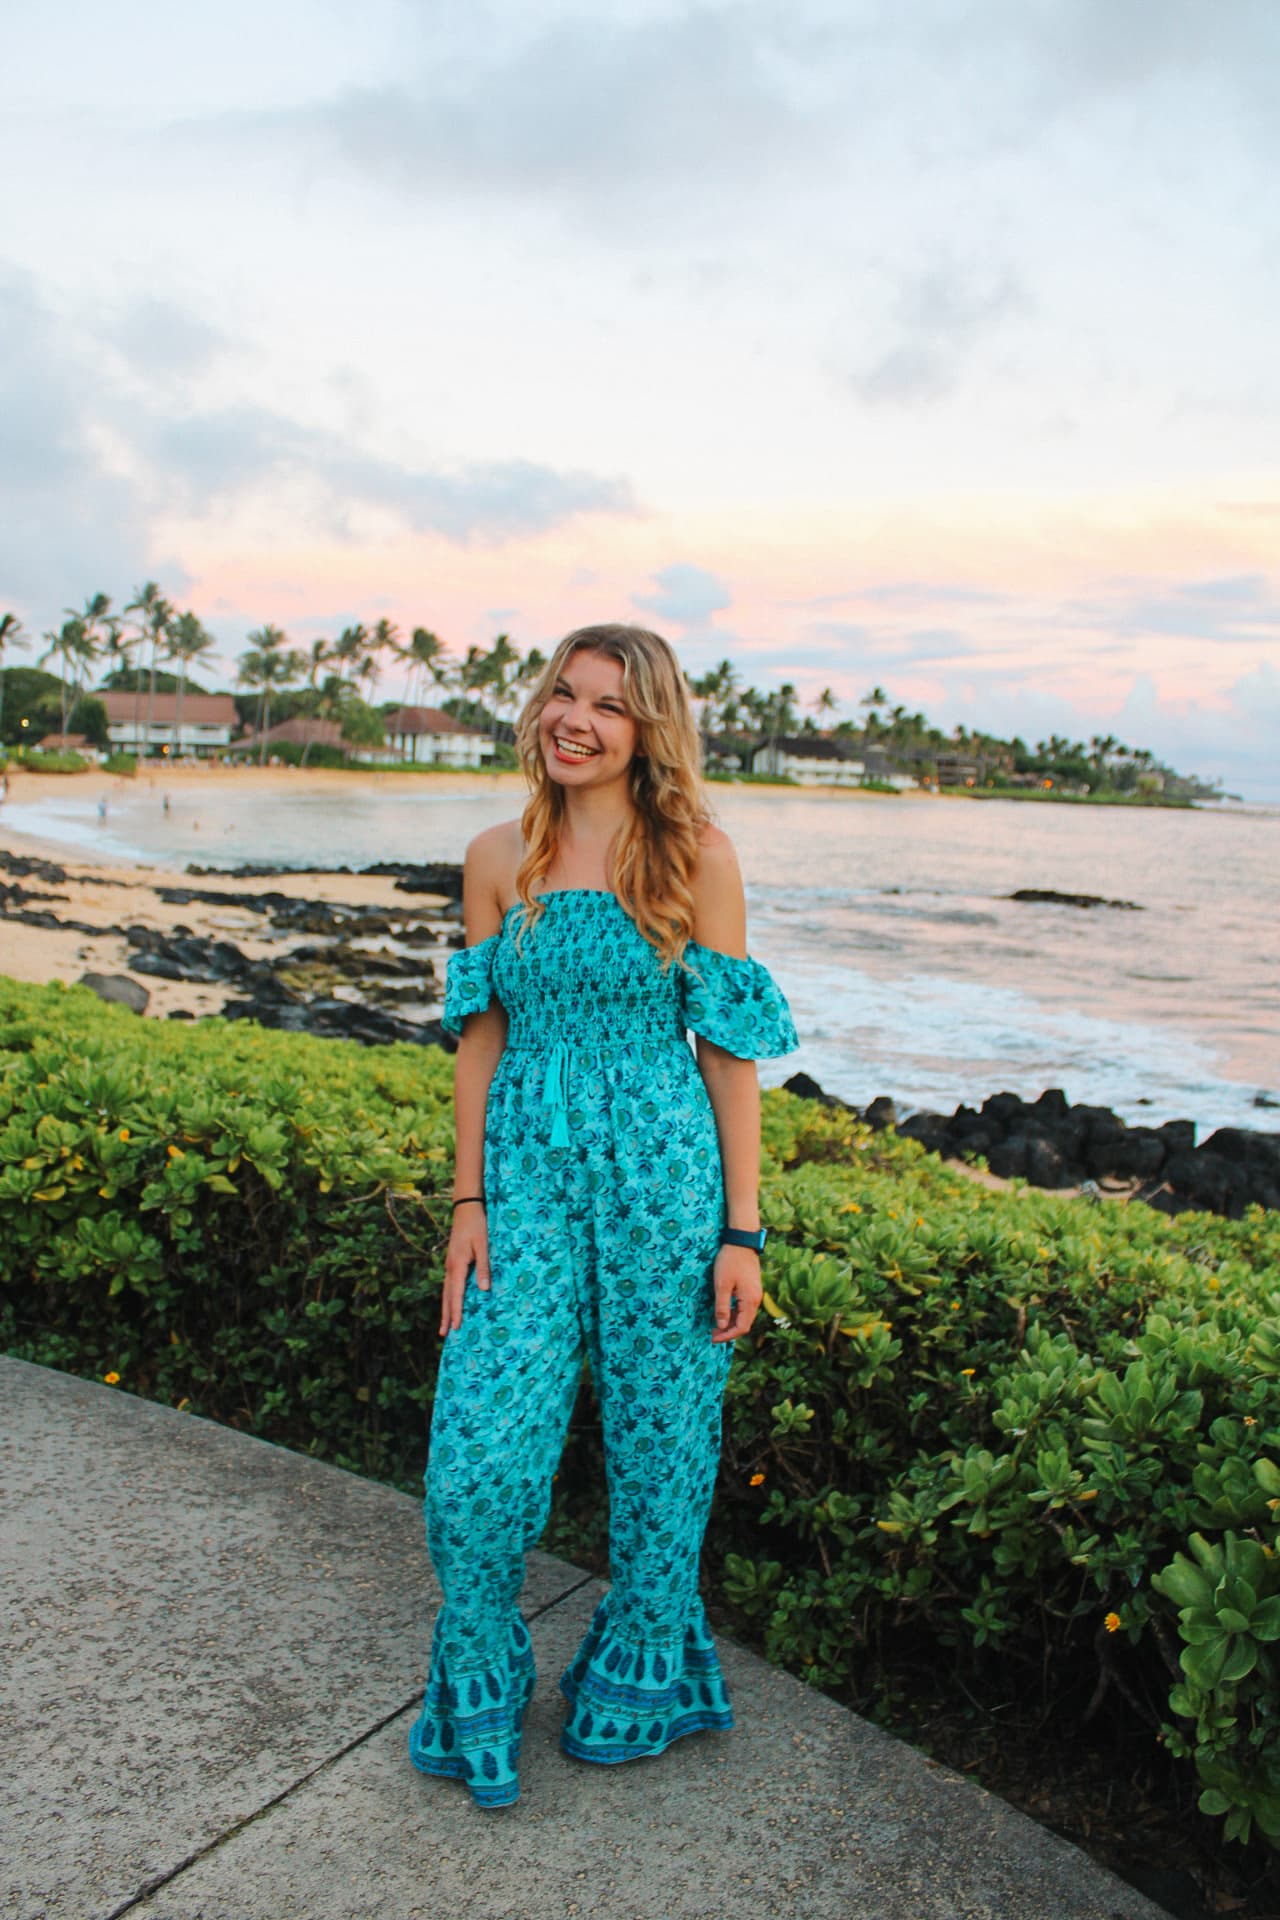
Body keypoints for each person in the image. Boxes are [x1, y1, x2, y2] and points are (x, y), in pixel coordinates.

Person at [408, 623, 797, 1808]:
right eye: (563, 696)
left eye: (608, 707)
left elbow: (727, 1056)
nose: (574, 719)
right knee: (475, 1459)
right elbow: (480, 1040)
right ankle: (477, 1667)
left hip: (664, 1183)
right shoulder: (493, 858)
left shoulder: (695, 860)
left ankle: (642, 1672)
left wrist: (743, 1230)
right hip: (522, 1182)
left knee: (664, 1444)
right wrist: (465, 1200)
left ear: (648, 731)